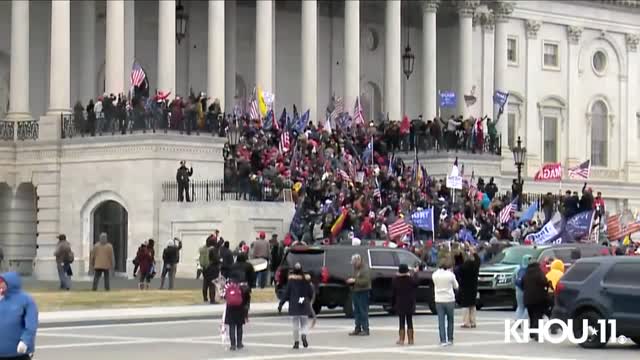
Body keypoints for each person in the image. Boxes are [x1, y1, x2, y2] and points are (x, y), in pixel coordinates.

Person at [0, 272, 38, 360]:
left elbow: (31, 324)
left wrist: (25, 341)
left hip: (18, 353)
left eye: (2, 282)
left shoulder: (25, 300)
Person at [226, 253, 256, 351]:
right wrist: (251, 286)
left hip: (232, 295)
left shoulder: (232, 267)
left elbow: (227, 278)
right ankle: (239, 343)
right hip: (243, 294)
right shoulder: (248, 266)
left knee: (231, 323)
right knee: (239, 322)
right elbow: (252, 278)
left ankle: (232, 344)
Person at [284, 262, 314, 349]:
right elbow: (310, 292)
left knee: (295, 325)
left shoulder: (291, 281)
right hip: (304, 303)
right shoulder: (306, 280)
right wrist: (309, 299)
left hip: (294, 305)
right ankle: (304, 335)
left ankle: (296, 342)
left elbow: (287, 293)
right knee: (304, 323)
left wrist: (281, 303)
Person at [523, 258, 551, 341]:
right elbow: (544, 281)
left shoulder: (526, 273)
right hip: (538, 299)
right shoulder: (539, 273)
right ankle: (536, 333)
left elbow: (522, 284)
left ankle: (531, 332)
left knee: (531, 316)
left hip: (528, 299)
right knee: (537, 316)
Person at [432, 257, 459, 346]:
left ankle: (442, 340)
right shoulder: (450, 275)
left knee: (441, 320)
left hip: (439, 299)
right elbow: (456, 286)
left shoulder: (434, 274)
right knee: (450, 320)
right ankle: (450, 339)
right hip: (449, 299)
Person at [392, 263, 417, 346]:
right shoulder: (410, 279)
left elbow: (393, 292)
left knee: (401, 321)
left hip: (400, 302)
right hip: (409, 302)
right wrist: (415, 273)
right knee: (409, 321)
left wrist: (392, 303)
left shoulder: (395, 280)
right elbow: (416, 283)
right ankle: (411, 339)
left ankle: (401, 339)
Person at [346, 254, 371, 336]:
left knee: (363, 311)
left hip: (363, 292)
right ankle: (357, 328)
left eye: (354, 263)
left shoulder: (365, 269)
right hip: (355, 291)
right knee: (356, 311)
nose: (353, 265)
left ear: (359, 261)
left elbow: (365, 281)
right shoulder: (355, 269)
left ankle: (365, 329)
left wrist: (354, 281)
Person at [459, 247, 480, 328]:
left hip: (465, 287)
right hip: (473, 287)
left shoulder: (464, 267)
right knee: (472, 305)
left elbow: (459, 271)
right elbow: (478, 260)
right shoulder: (475, 266)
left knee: (465, 305)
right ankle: (473, 321)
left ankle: (466, 322)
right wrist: (474, 252)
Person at [514, 254, 532, 322]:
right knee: (528, 307)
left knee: (520, 307)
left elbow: (513, 278)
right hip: (528, 290)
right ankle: (522, 320)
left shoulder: (518, 268)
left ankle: (517, 319)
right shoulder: (531, 269)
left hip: (518, 289)